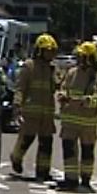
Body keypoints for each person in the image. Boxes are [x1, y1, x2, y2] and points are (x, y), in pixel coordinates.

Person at [56, 41, 97, 191]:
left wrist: (88, 101)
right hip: (69, 122)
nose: (80, 59)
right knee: (69, 151)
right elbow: (63, 88)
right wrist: (62, 95)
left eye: (83, 56)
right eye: (79, 56)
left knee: (87, 152)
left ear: (91, 58)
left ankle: (85, 179)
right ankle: (70, 179)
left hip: (87, 124)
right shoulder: (71, 73)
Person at [9, 33, 59, 181]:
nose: (51, 54)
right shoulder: (29, 66)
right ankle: (16, 158)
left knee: (46, 143)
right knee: (26, 140)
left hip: (47, 114)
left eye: (52, 51)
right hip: (31, 113)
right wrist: (17, 105)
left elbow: (56, 86)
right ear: (39, 50)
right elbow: (20, 88)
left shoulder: (52, 69)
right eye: (48, 51)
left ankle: (43, 171)